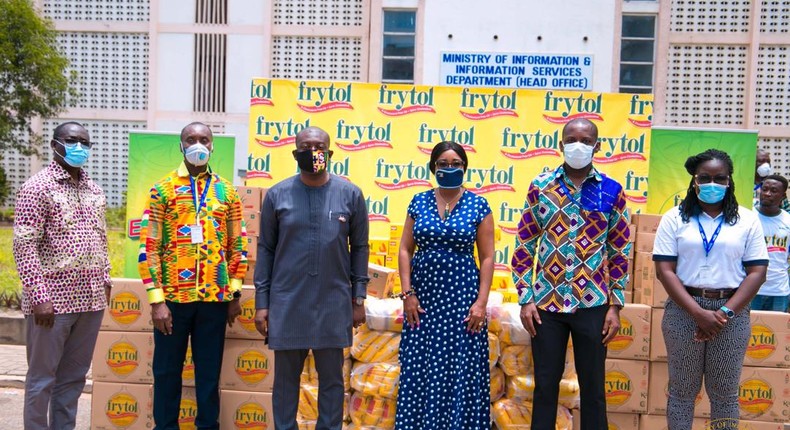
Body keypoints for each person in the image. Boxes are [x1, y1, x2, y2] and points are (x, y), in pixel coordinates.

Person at [511, 118, 630, 430]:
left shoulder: (611, 190)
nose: (580, 145)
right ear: (561, 144)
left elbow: (619, 251)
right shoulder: (541, 187)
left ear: (597, 146)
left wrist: (615, 306)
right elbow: (525, 243)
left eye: (587, 140)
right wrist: (525, 298)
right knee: (546, 386)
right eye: (573, 139)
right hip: (546, 306)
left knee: (593, 389)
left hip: (592, 305)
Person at [253, 126, 369, 430]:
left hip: (333, 301)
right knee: (285, 382)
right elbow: (265, 249)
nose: (313, 152)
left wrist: (358, 298)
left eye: (319, 147)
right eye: (305, 146)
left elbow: (359, 248)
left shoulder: (350, 194)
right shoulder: (278, 195)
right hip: (287, 301)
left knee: (332, 380)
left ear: (329, 153)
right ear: (295, 152)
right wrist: (262, 303)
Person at [137, 122, 247, 429]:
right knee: (167, 372)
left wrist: (234, 294)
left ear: (212, 146)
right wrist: (157, 301)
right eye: (191, 139)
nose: (197, 143)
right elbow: (150, 248)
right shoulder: (162, 190)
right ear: (181, 145)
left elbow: (237, 246)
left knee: (209, 375)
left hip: (214, 300)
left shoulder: (227, 192)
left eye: (203, 139)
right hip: (173, 301)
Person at [653, 149, 768, 429]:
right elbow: (664, 270)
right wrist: (697, 312)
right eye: (705, 178)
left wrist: (724, 313)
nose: (712, 184)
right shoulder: (674, 218)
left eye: (720, 178)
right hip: (684, 310)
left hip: (732, 312)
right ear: (694, 181)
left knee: (725, 395)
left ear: (729, 182)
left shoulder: (747, 219)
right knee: (681, 393)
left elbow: (758, 272)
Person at [13, 121, 112, 430]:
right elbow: (24, 244)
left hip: (90, 301)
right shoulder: (37, 187)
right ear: (55, 143)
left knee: (73, 379)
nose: (79, 147)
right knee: (42, 379)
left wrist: (106, 279)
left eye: (85, 142)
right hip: (52, 305)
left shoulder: (93, 189)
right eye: (72, 140)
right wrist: (38, 296)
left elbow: (102, 238)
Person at [394, 141, 495, 429]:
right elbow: (404, 250)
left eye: (455, 164)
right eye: (443, 164)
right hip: (422, 300)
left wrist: (481, 302)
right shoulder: (419, 202)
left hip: (462, 300)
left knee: (459, 368)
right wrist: (408, 293)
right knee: (422, 366)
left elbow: (487, 257)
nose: (449, 168)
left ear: (464, 168)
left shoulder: (478, 204)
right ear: (433, 168)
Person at [751, 174, 790, 312]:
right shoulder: (748, 217)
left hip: (779, 290)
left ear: (783, 195)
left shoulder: (788, 221)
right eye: (765, 189)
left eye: (773, 191)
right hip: (750, 289)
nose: (767, 194)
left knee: (776, 332)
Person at [752, 148, 790, 212]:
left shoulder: (777, 185)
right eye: (761, 161)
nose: (766, 164)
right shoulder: (744, 185)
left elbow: (787, 210)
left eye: (768, 161)